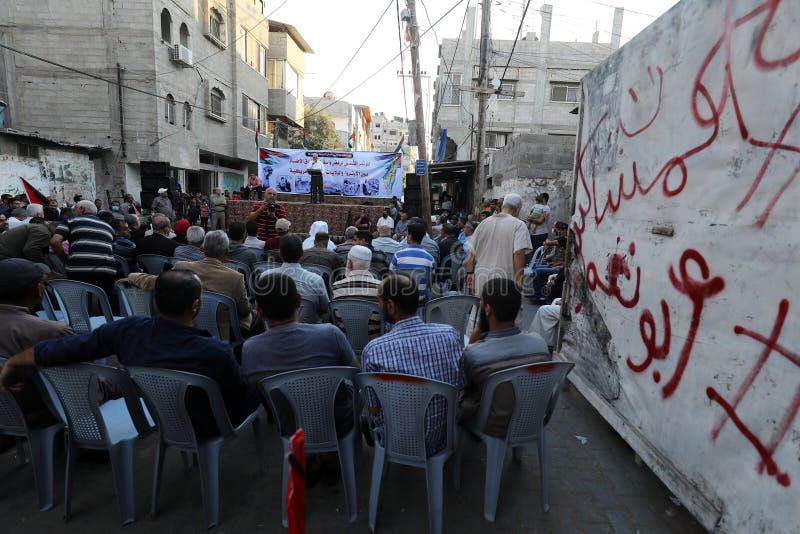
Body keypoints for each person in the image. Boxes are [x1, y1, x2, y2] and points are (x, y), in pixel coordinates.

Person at [0, 270, 259, 437]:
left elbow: (71, 347)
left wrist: (15, 360)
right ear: (196, 306)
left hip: (156, 414)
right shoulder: (213, 351)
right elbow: (236, 394)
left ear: (155, 301)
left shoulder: (126, 330)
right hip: (204, 425)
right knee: (255, 383)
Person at [361, 274, 464, 453]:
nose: (378, 305)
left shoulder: (374, 350)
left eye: (379, 300)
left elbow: (373, 408)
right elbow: (460, 384)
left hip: (396, 440)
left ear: (390, 305)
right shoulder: (449, 335)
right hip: (442, 437)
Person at [459, 278, 550, 437]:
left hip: (493, 426)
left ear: (487, 309)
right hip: (532, 419)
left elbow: (462, 384)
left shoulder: (475, 354)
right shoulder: (540, 344)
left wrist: (472, 343)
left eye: (481, 301)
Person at [0, 259, 73, 427]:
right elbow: (79, 386)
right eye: (42, 284)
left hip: (7, 414)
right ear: (37, 289)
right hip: (43, 411)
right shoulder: (52, 330)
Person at [172, 231, 254, 337]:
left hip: (186, 328)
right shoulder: (235, 277)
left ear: (203, 249)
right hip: (220, 334)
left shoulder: (181, 267)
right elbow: (245, 310)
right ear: (226, 252)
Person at [465, 193, 531, 295]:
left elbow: (470, 252)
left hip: (482, 277)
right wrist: (519, 281)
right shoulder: (519, 225)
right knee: (503, 310)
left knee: (481, 308)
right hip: (504, 280)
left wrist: (470, 273)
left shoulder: (483, 223)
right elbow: (519, 253)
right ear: (517, 209)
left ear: (502, 206)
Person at [50, 200, 116, 292]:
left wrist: (65, 260)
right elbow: (112, 250)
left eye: (74, 210)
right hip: (107, 270)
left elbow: (55, 242)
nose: (73, 213)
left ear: (82, 209)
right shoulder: (108, 227)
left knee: (79, 301)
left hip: (79, 270)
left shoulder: (70, 221)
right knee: (105, 302)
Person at [269, 234, 329, 322]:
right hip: (309, 333)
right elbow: (325, 308)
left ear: (280, 253)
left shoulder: (266, 277)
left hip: (274, 331)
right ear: (302, 254)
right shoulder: (316, 280)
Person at [390, 222, 435, 302]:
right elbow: (429, 282)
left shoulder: (398, 256)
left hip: (399, 298)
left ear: (410, 236)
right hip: (419, 299)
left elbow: (391, 276)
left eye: (407, 234)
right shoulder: (430, 259)